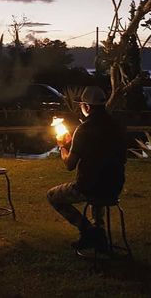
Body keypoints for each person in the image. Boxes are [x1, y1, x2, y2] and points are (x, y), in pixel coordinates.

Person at [47, 86, 127, 250]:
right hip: (114, 186)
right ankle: (99, 234)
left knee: (52, 196)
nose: (81, 107)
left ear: (87, 107)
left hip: (88, 187)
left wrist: (63, 147)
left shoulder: (84, 129)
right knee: (98, 189)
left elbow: (70, 165)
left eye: (82, 104)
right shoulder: (116, 126)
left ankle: (89, 231)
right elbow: (121, 158)